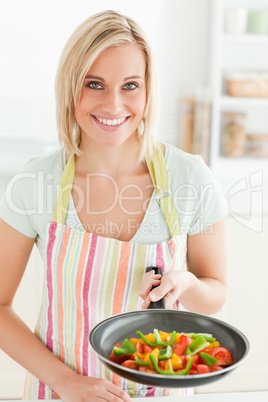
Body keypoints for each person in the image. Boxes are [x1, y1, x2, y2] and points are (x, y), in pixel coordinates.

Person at [0, 10, 228, 401]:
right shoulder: (34, 184)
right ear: (71, 87)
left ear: (148, 89)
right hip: (62, 391)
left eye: (130, 85)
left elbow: (216, 291)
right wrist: (65, 382)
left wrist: (186, 283)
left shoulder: (190, 178)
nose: (113, 104)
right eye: (95, 84)